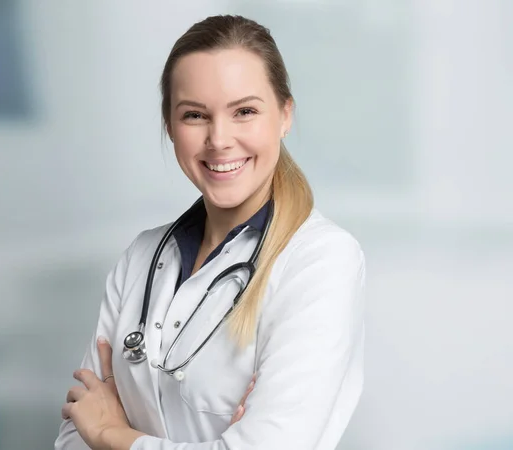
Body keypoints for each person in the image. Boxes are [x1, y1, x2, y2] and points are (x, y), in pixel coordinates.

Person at [54, 14, 365, 450]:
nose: (219, 139)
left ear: (285, 115)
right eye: (195, 115)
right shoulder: (142, 257)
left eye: (245, 112)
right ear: (170, 126)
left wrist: (111, 433)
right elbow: (72, 438)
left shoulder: (321, 261)